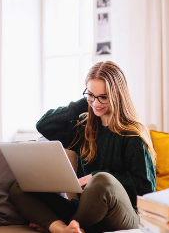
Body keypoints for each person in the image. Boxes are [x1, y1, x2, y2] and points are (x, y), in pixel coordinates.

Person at [10, 61, 156, 233]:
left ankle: (67, 227)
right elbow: (44, 125)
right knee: (20, 186)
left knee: (102, 181)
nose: (96, 103)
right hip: (86, 211)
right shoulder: (83, 129)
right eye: (91, 95)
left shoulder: (133, 134)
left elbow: (147, 187)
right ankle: (64, 229)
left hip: (124, 214)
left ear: (117, 95)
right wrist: (84, 102)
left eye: (103, 97)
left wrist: (95, 177)